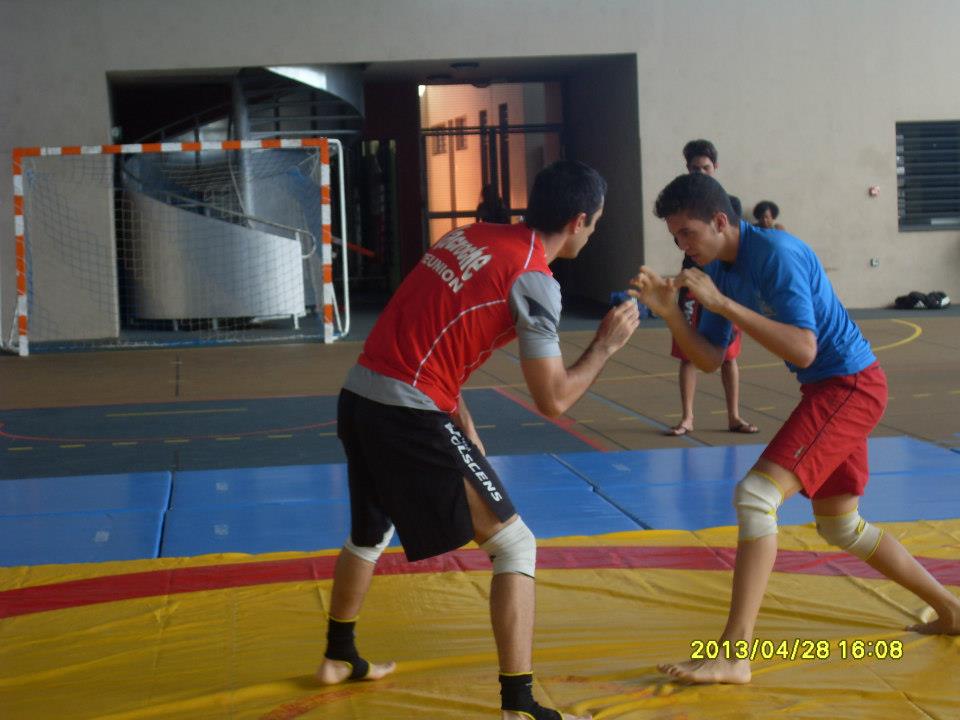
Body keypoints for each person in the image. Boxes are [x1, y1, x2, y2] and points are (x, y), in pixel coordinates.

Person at [319, 160, 639, 720]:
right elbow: (553, 400)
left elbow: (431, 332)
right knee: (516, 546)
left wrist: (463, 423)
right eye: (596, 223)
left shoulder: (468, 236)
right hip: (408, 413)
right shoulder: (535, 278)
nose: (593, 234)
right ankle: (519, 706)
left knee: (371, 529)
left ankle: (338, 654)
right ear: (579, 220)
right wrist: (605, 346)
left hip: (361, 395)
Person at [633, 173, 960, 685]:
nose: (682, 246)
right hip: (831, 389)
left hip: (850, 386)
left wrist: (723, 304)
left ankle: (734, 654)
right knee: (841, 525)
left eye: (688, 233)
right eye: (675, 237)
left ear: (720, 221)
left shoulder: (776, 254)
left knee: (756, 497)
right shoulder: (716, 268)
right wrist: (673, 314)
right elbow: (709, 358)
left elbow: (804, 350)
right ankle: (952, 609)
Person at [666, 140, 756, 436]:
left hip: (722, 287)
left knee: (729, 354)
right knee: (688, 351)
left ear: (715, 167)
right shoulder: (680, 206)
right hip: (693, 284)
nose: (701, 173)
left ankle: (734, 416)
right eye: (695, 169)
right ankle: (687, 417)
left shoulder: (731, 204)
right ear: (688, 169)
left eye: (706, 168)